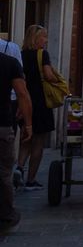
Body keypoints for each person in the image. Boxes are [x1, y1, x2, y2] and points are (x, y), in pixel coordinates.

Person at [18, 26, 58, 189]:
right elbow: (48, 75)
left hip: (25, 101)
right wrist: (57, 80)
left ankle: (19, 168)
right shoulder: (43, 55)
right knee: (38, 142)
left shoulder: (20, 55)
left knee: (26, 139)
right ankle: (30, 180)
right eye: (44, 37)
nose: (46, 40)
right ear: (36, 39)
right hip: (41, 102)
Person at [0, 50, 31, 233]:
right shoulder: (9, 62)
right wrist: (28, 124)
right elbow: (22, 94)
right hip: (2, 124)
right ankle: (5, 216)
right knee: (4, 173)